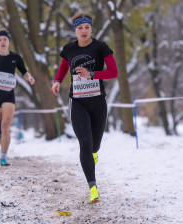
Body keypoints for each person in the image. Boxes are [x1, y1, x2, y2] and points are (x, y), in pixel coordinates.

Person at [51, 12, 118, 204]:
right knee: (85, 143)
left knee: (94, 146)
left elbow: (113, 72)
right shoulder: (69, 49)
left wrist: (92, 74)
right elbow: (64, 67)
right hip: (78, 101)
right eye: (80, 28)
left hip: (98, 101)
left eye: (87, 27)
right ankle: (93, 188)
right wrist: (57, 81)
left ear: (91, 29)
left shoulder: (100, 47)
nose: (84, 31)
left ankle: (93, 155)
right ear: (75, 31)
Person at [0, 29, 35, 166]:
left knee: (5, 126)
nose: (3, 42)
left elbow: (24, 72)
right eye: (0, 40)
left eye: (5, 39)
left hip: (9, 95)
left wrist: (29, 78)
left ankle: (3, 157)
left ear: (9, 41)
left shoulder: (15, 57)